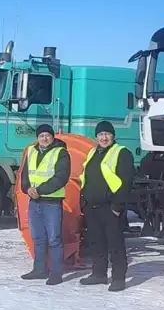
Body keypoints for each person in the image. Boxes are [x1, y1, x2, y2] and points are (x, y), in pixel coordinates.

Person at [79, 120, 136, 291]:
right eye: (100, 134)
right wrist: (84, 202)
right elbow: (86, 177)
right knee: (97, 242)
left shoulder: (122, 153)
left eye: (107, 134)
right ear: (96, 137)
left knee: (115, 244)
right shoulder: (92, 153)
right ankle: (99, 274)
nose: (104, 138)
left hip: (111, 207)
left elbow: (126, 182)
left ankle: (118, 278)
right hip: (92, 206)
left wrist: (117, 206)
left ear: (113, 136)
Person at [18, 123, 71, 285]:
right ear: (37, 138)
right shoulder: (31, 151)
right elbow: (25, 175)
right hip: (34, 202)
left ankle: (56, 273)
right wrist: (27, 189)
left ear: (53, 137)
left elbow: (61, 178)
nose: (44, 138)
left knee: (54, 239)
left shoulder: (61, 153)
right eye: (41, 136)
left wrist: (39, 190)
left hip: (52, 203)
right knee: (38, 237)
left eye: (47, 135)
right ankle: (39, 270)